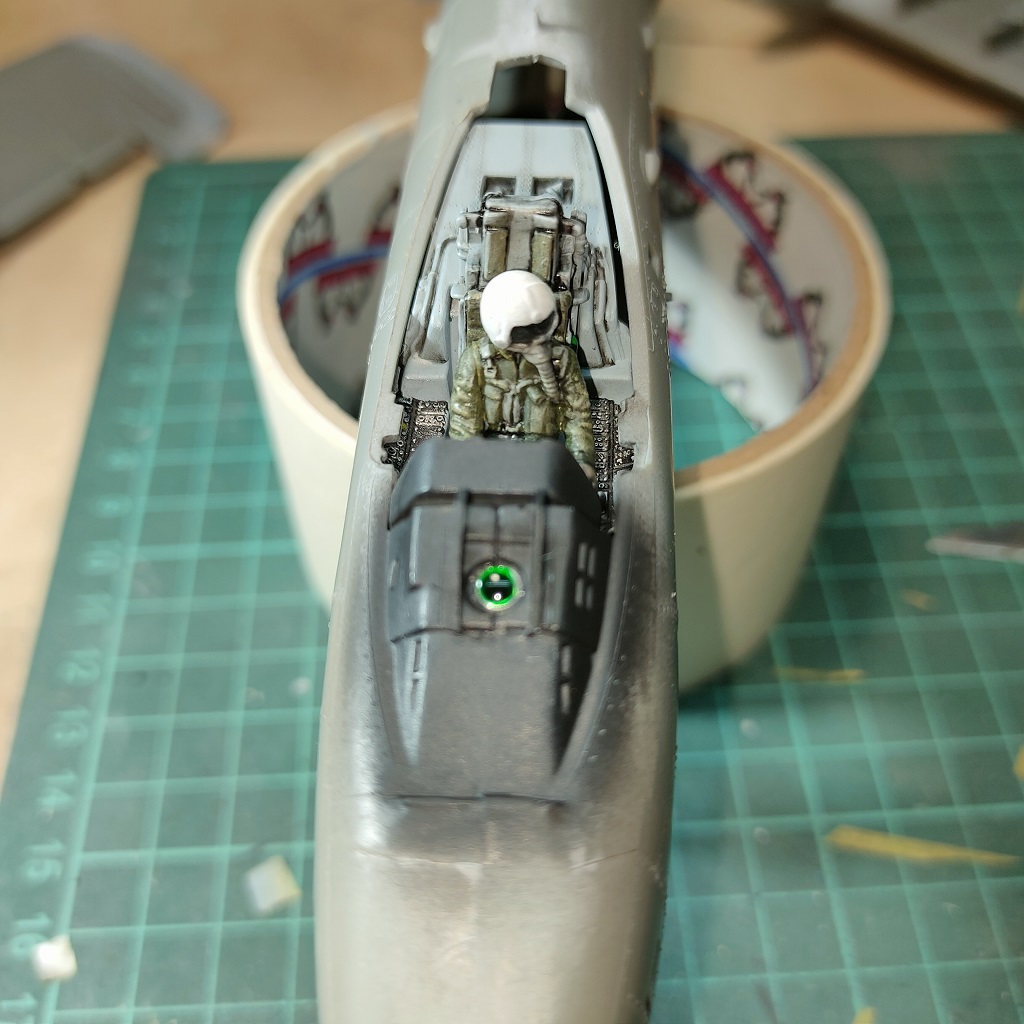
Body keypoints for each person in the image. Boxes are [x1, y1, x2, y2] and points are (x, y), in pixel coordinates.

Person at [448, 270, 596, 481]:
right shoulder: (476, 359)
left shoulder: (561, 359)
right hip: (489, 449)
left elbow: (577, 414)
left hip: (542, 454)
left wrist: (582, 460)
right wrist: (467, 462)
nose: (534, 340)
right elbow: (464, 416)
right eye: (525, 332)